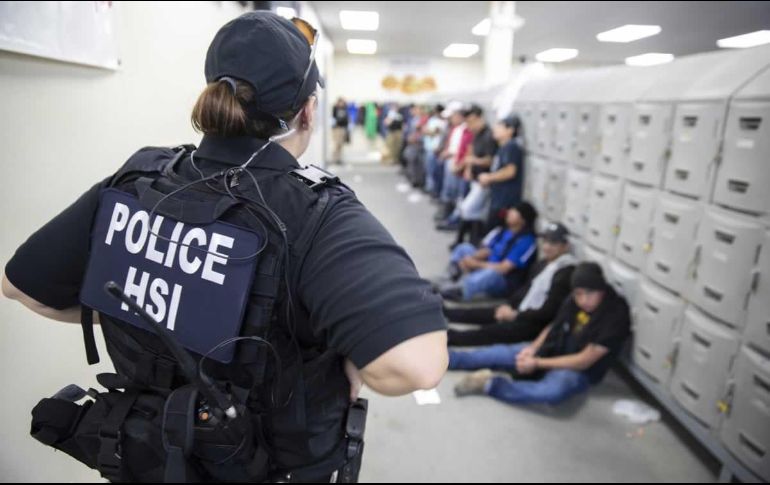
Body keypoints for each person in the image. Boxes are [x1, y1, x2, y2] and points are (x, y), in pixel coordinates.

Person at [2, 11, 448, 483]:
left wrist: (152, 312)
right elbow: (416, 366)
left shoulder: (142, 176)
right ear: (308, 111)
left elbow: (22, 288)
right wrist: (349, 358)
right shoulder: (315, 212)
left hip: (146, 456)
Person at [449, 262, 631, 407]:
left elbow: (584, 360)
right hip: (553, 349)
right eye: (578, 294)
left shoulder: (616, 314)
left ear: (601, 289)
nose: (584, 300)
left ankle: (489, 384)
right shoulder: (574, 300)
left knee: (552, 392)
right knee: (498, 353)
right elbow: (554, 326)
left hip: (576, 370)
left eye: (590, 294)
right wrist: (533, 349)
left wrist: (537, 363)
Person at [445, 222, 576, 347]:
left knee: (490, 332)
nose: (547, 246)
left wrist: (516, 315)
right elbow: (525, 290)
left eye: (553, 243)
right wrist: (509, 306)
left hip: (533, 324)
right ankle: (445, 313)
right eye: (545, 241)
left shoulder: (565, 272)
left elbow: (548, 311)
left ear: (565, 246)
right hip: (521, 311)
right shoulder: (543, 264)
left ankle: (449, 337)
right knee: (486, 313)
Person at [440, 201, 538, 301]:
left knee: (491, 274)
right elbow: (488, 250)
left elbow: (503, 268)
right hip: (487, 265)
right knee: (464, 248)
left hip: (503, 279)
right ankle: (449, 277)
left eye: (514, 212)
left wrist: (476, 264)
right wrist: (472, 258)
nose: (509, 212)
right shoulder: (503, 231)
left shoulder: (526, 241)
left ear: (523, 220)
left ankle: (461, 290)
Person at [450, 105, 498, 244]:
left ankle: (462, 240)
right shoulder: (477, 134)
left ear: (479, 118)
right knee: (474, 212)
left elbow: (490, 160)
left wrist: (473, 161)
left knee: (468, 209)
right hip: (474, 178)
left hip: (484, 181)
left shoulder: (489, 135)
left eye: (471, 121)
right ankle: (470, 240)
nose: (469, 126)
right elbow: (471, 150)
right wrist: (468, 168)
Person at [478, 113, 525, 230]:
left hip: (505, 200)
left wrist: (489, 177)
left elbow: (510, 171)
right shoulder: (503, 146)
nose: (495, 129)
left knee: (495, 229)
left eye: (500, 126)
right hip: (498, 197)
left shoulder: (511, 146)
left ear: (510, 130)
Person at [331, 97, 349, 165]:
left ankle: (339, 159)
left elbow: (346, 119)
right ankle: (335, 159)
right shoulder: (335, 108)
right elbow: (334, 118)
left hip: (343, 129)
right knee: (337, 144)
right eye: (341, 102)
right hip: (337, 129)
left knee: (341, 145)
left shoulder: (344, 109)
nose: (342, 104)